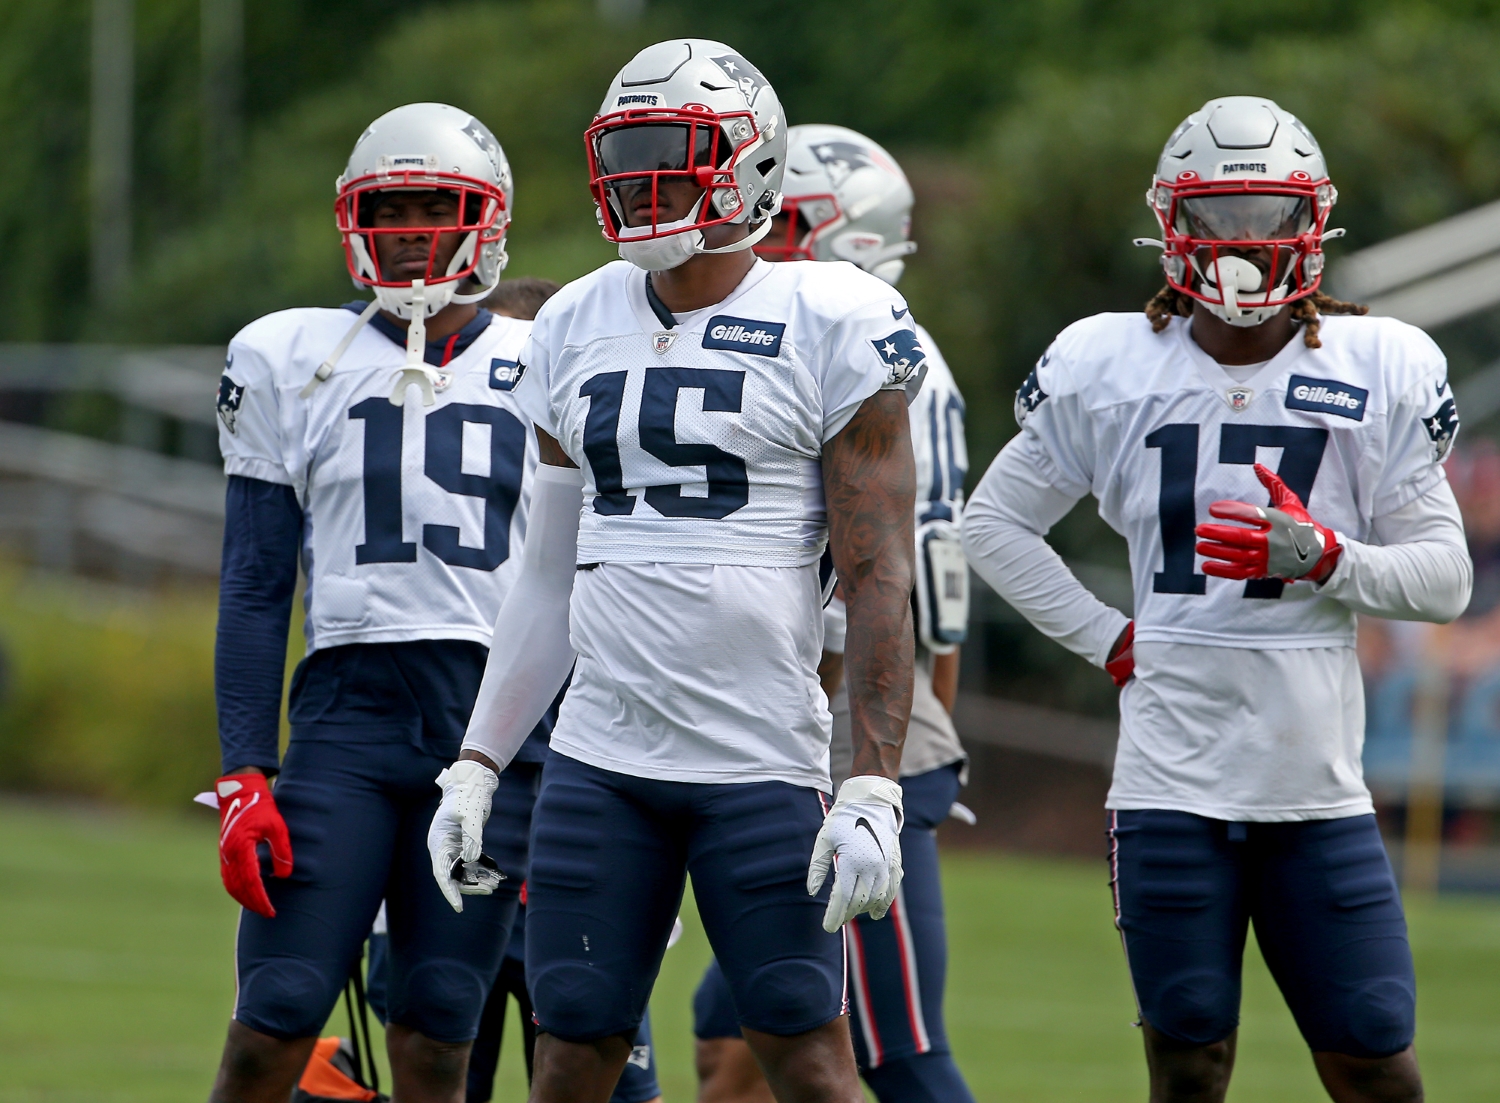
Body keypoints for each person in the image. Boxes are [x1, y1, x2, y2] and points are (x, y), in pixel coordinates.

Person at [426, 38, 922, 1103]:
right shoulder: (569, 320)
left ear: (750, 162)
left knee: (806, 1050)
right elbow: (549, 575)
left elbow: (879, 575)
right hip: (601, 761)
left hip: (759, 757)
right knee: (571, 1049)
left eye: (674, 150)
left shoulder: (835, 316)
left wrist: (873, 780)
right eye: (629, 150)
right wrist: (480, 758)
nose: (642, 177)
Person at [962, 96, 1472, 1103]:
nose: (1245, 242)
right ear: (1172, 225)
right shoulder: (1107, 364)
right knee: (1188, 1058)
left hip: (1314, 786)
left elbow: (1445, 578)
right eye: (1220, 216)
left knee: (1376, 1056)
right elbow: (992, 525)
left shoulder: (1378, 365)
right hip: (1169, 781)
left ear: (1313, 223)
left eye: (1269, 215)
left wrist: (1328, 557)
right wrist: (1110, 638)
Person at [208, 103, 548, 1103]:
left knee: (439, 1025)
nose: (407, 229)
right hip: (344, 719)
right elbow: (256, 577)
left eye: (432, 207)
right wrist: (241, 765)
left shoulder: (550, 357)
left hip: (492, 723)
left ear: (485, 220)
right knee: (272, 1018)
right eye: (388, 207)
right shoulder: (289, 357)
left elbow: (583, 579)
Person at [692, 124, 976, 1103]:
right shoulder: (795, 328)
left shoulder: (872, 344)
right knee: (728, 1031)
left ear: (848, 236)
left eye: (786, 218)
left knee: (896, 1043)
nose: (756, 236)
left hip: (850, 720)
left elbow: (905, 571)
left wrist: (911, 745)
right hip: (791, 712)